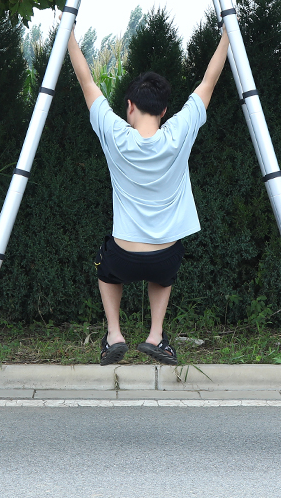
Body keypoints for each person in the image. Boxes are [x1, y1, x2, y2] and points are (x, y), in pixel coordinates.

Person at [67, 23, 230, 366]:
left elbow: (87, 81)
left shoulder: (115, 134)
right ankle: (156, 336)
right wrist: (229, 34)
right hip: (164, 256)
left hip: (123, 256)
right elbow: (208, 82)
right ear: (164, 111)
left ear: (129, 106)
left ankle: (114, 335)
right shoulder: (178, 134)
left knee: (105, 265)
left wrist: (67, 34)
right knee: (164, 269)